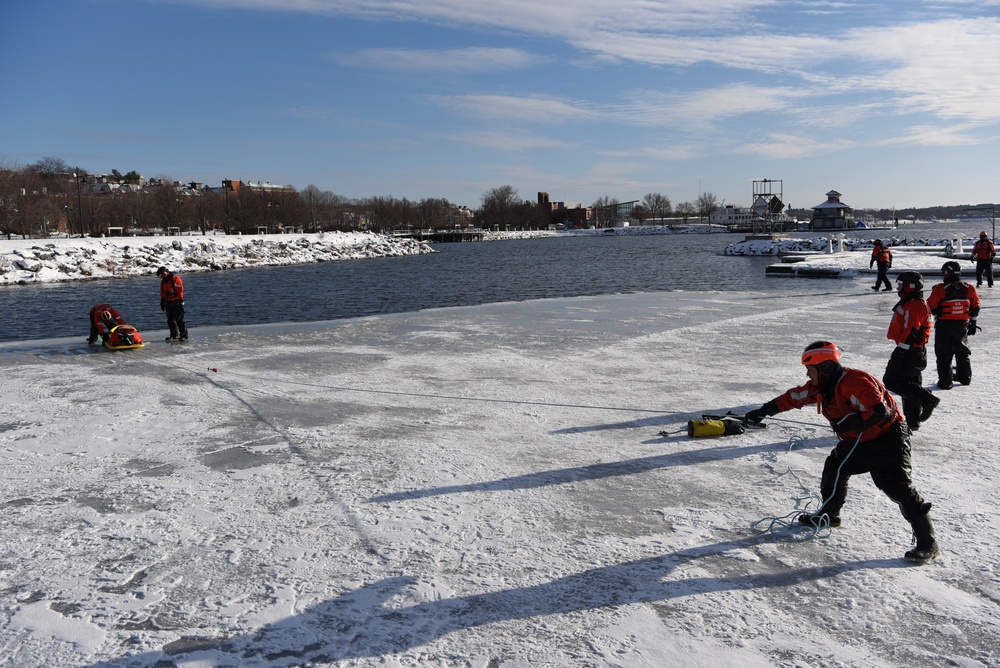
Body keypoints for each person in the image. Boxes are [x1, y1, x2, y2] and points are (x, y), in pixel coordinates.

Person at [745, 341, 940, 562]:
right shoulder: (821, 387)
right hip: (858, 441)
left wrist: (850, 424)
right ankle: (829, 515)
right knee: (836, 467)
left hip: (889, 438)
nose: (808, 374)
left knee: (897, 488)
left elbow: (879, 411)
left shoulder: (854, 382)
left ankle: (928, 543)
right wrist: (762, 412)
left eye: (810, 369)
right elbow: (792, 398)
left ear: (825, 367)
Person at [882, 272, 939, 430]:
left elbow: (911, 330)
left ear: (911, 286)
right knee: (911, 385)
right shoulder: (913, 303)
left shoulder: (915, 305)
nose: (898, 287)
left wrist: (901, 351)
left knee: (892, 380)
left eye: (901, 284)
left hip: (910, 352)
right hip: (914, 351)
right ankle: (912, 421)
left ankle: (927, 399)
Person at [926, 261, 980, 389]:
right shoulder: (969, 288)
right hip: (962, 325)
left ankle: (945, 382)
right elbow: (976, 306)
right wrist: (973, 323)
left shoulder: (940, 289)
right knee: (963, 352)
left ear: (945, 273)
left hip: (944, 325)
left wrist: (935, 313)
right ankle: (965, 378)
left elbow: (929, 306)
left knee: (944, 354)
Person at [156, 266, 188, 341]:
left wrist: (181, 300)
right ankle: (174, 335)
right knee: (170, 320)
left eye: (161, 276)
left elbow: (180, 290)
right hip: (168, 302)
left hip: (176, 301)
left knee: (180, 320)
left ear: (164, 273)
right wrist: (162, 301)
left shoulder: (175, 279)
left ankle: (183, 335)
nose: (161, 278)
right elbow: (163, 292)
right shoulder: (163, 282)